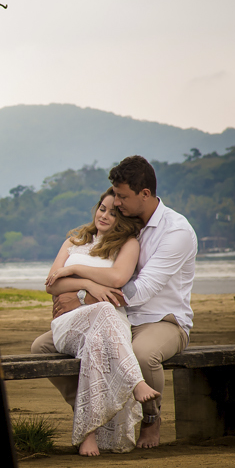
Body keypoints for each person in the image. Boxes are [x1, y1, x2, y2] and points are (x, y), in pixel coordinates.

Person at [32, 155, 196, 449]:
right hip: (115, 315)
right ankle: (94, 411)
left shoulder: (176, 232)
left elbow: (142, 289)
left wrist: (86, 287)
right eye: (113, 197)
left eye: (122, 197)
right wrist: (87, 291)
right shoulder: (122, 227)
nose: (116, 203)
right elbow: (60, 280)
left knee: (142, 353)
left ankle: (151, 419)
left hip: (160, 319)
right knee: (43, 348)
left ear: (144, 194)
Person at [39, 189, 158, 454]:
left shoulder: (128, 244)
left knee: (96, 341)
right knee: (104, 310)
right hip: (70, 323)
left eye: (113, 213)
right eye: (102, 209)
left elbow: (117, 279)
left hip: (107, 324)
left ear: (123, 219)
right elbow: (52, 285)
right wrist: (87, 283)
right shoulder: (74, 241)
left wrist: (73, 269)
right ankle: (135, 381)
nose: (104, 215)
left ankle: (88, 434)